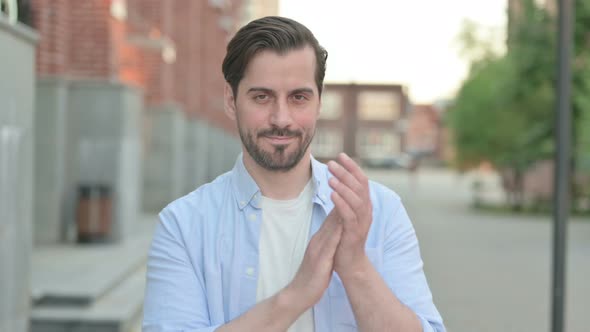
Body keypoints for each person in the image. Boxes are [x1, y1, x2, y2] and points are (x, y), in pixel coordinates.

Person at [143, 16, 445, 332]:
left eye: (298, 97)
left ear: (318, 103)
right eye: (262, 97)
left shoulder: (381, 211)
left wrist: (355, 267)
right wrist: (295, 296)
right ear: (231, 102)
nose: (281, 118)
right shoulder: (183, 225)